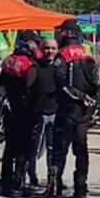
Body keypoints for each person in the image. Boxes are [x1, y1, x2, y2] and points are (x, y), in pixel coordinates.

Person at [48, 20, 99, 198]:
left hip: (67, 109)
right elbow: (95, 82)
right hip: (84, 111)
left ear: (68, 33)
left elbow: (60, 82)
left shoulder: (63, 55)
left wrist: (78, 96)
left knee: (59, 151)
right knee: (81, 150)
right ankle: (81, 187)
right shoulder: (88, 53)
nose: (58, 35)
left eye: (61, 31)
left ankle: (54, 189)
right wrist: (90, 100)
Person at [0, 31, 40, 198]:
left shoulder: (8, 60)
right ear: (28, 44)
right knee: (23, 150)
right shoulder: (29, 64)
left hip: (10, 110)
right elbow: (32, 90)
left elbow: (0, 84)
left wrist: (7, 99)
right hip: (25, 111)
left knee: (9, 148)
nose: (37, 46)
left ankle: (6, 183)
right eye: (35, 43)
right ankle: (18, 184)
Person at [28, 38, 59, 188]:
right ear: (42, 49)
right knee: (34, 147)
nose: (50, 51)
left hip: (55, 111)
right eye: (47, 48)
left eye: (53, 48)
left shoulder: (60, 67)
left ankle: (52, 178)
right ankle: (32, 176)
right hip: (39, 112)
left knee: (53, 148)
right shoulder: (36, 66)